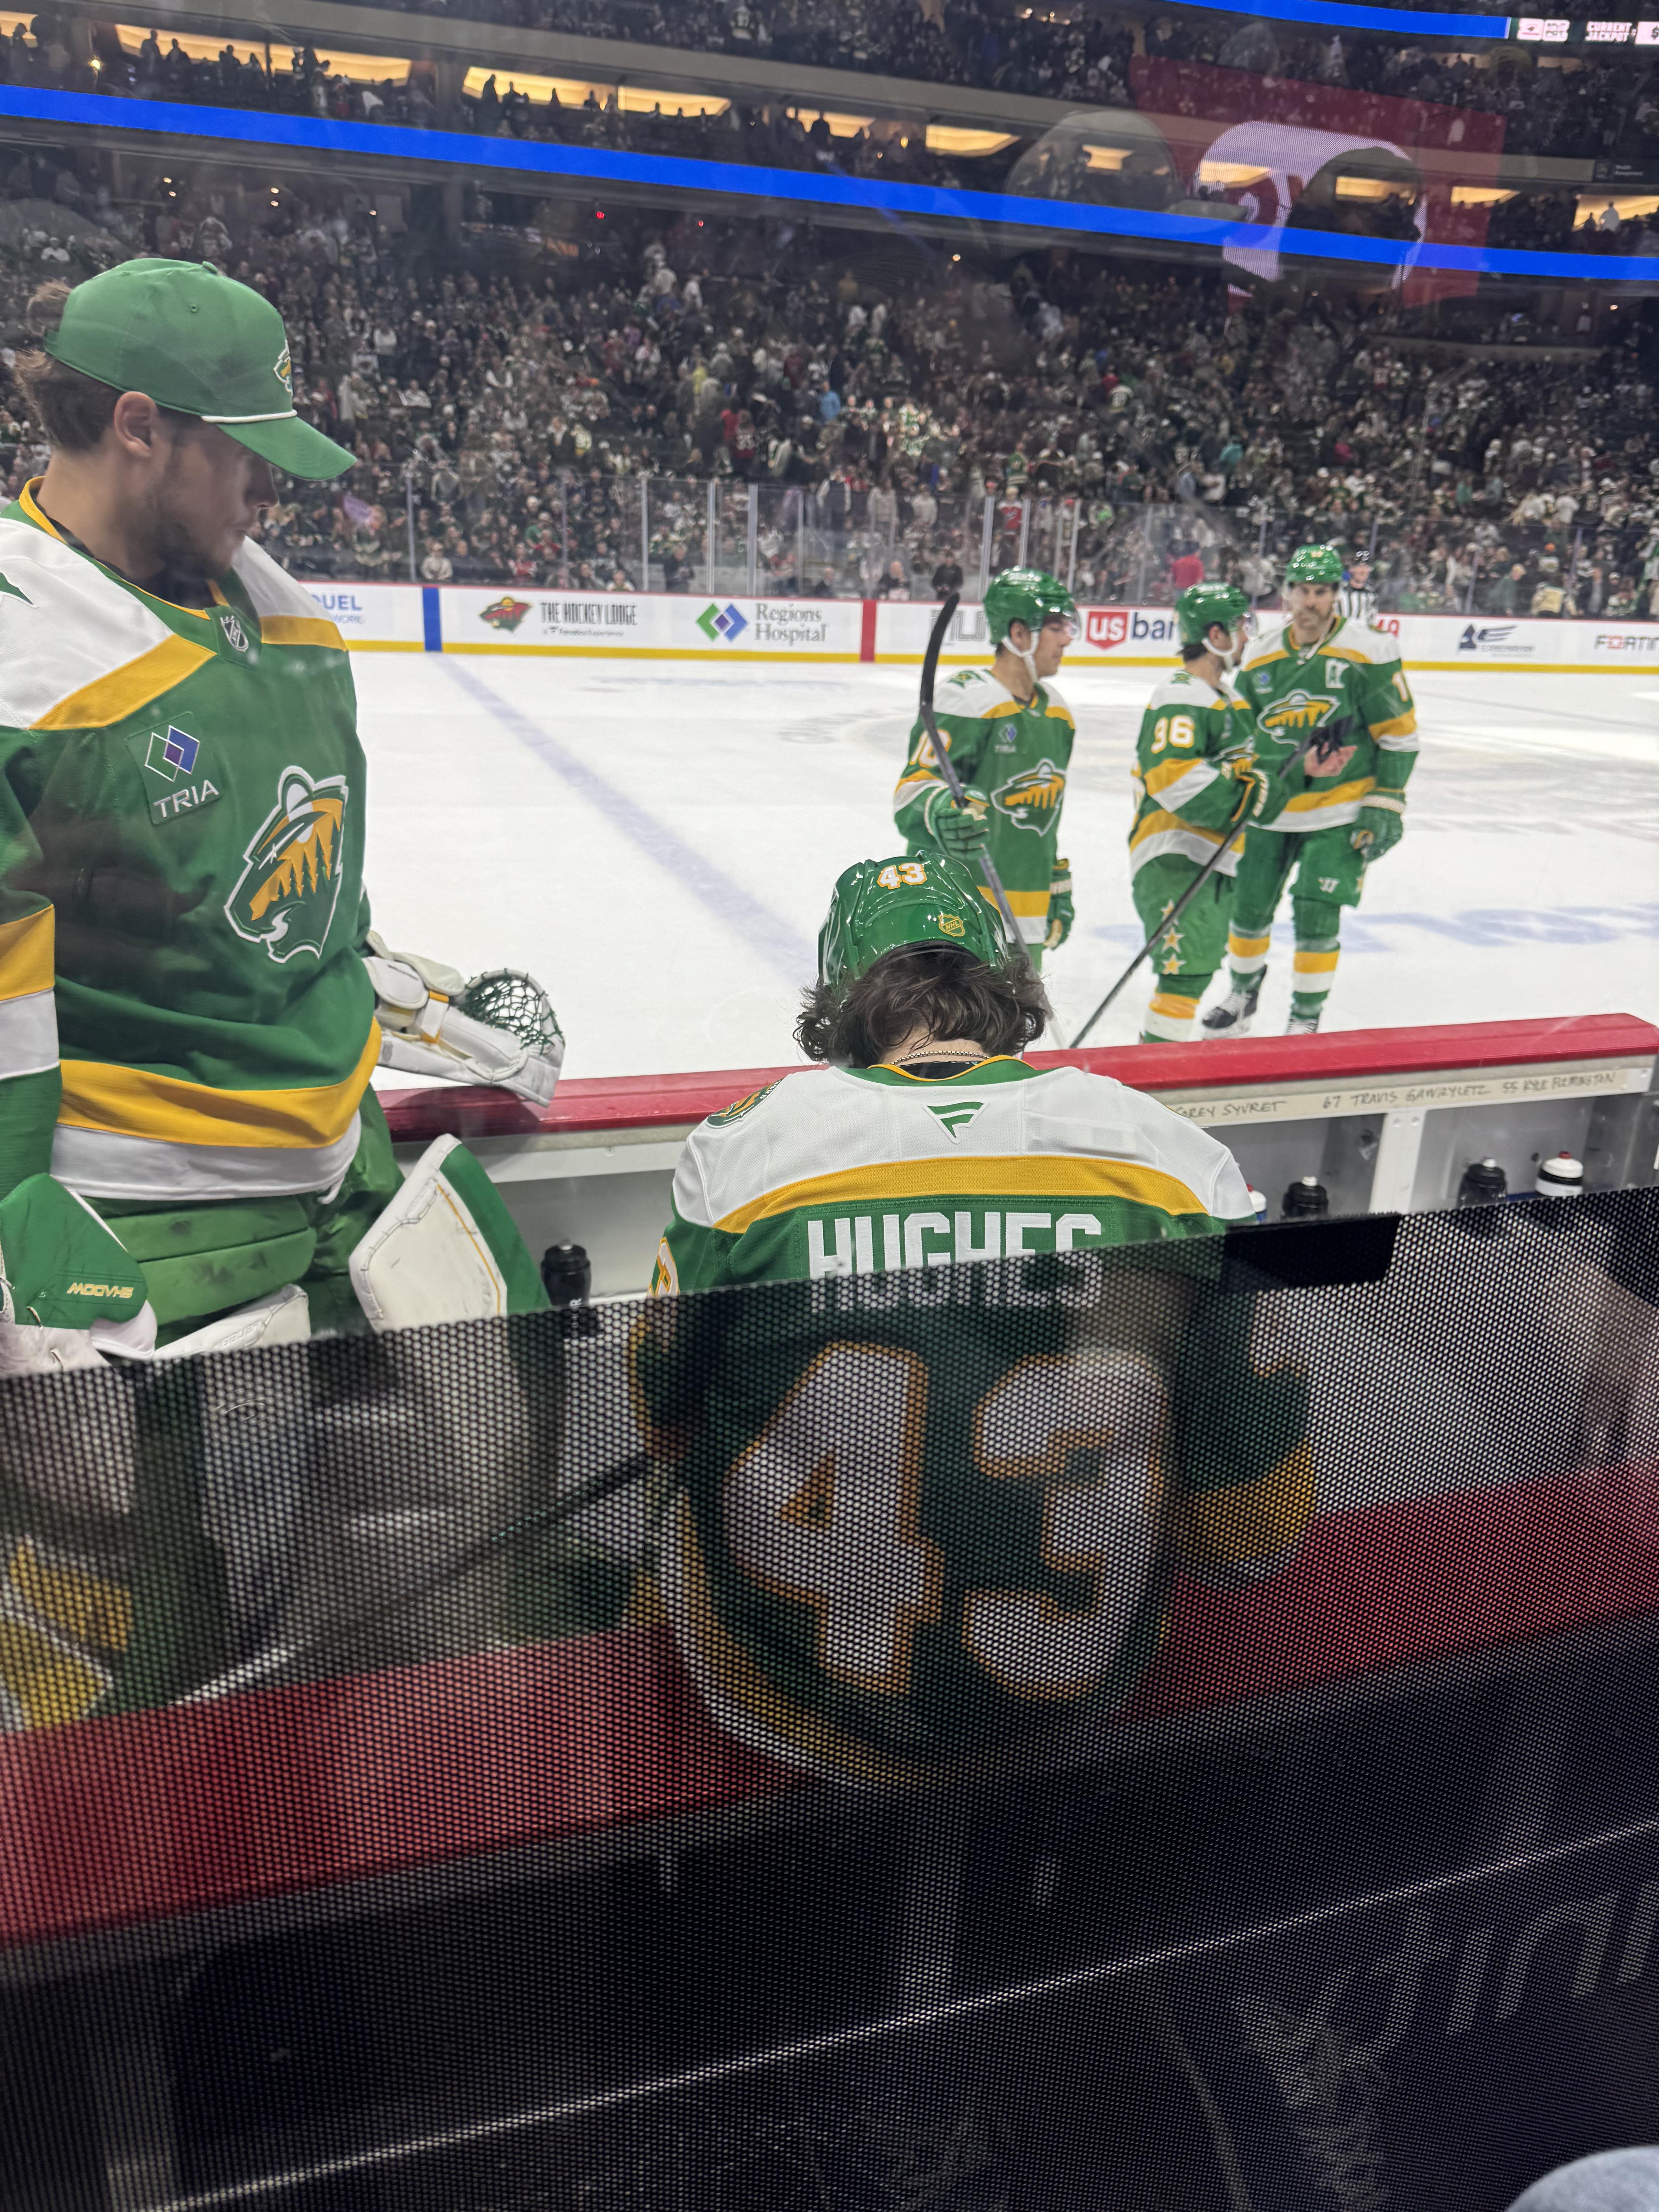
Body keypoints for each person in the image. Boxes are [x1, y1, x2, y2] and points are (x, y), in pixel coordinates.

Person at [0, 261, 562, 1372]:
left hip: (349, 1174)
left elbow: (305, 876)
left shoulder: (285, 611)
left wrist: (389, 987)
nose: (273, 489)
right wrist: (14, 1223)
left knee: (509, 1440)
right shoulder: (21, 659)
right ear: (138, 428)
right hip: (142, 1222)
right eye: (247, 453)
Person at [637, 855, 1311, 1778]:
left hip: (793, 1697)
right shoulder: (1172, 1159)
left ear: (839, 1004)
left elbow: (661, 1420)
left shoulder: (747, 1154)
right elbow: (1257, 1536)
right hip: (1081, 1685)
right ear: (1003, 989)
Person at [1205, 543, 1419, 1036]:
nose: (1310, 602)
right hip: (1271, 809)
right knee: (1248, 906)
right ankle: (1243, 993)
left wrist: (1386, 800)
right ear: (1287, 593)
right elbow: (1242, 734)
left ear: (1336, 595)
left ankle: (1305, 1017)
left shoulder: (1369, 650)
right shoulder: (1261, 654)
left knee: (1317, 912)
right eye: (1302, 591)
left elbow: (1399, 734)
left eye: (1321, 592)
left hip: (1340, 809)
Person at [892, 566, 1078, 966]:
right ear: (1019, 634)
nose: (1067, 638)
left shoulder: (1059, 714)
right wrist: (942, 812)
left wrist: (1054, 877)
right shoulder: (967, 701)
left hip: (1027, 907)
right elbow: (911, 792)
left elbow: (1045, 814)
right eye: (1055, 627)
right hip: (956, 912)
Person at [1129, 583, 1279, 1044]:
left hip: (1212, 857)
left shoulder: (1228, 698)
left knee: (1194, 971)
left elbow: (1249, 774)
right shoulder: (1182, 695)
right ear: (1216, 635)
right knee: (1184, 976)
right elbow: (1173, 777)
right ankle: (1153, 1078)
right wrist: (1243, 798)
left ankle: (1158, 1073)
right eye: (1240, 626)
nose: (1247, 636)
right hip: (1173, 856)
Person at [1335, 548, 1377, 626]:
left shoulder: (1371, 594)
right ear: (1351, 569)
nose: (1363, 571)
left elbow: (1372, 620)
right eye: (1360, 567)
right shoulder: (1339, 590)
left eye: (1366, 567)